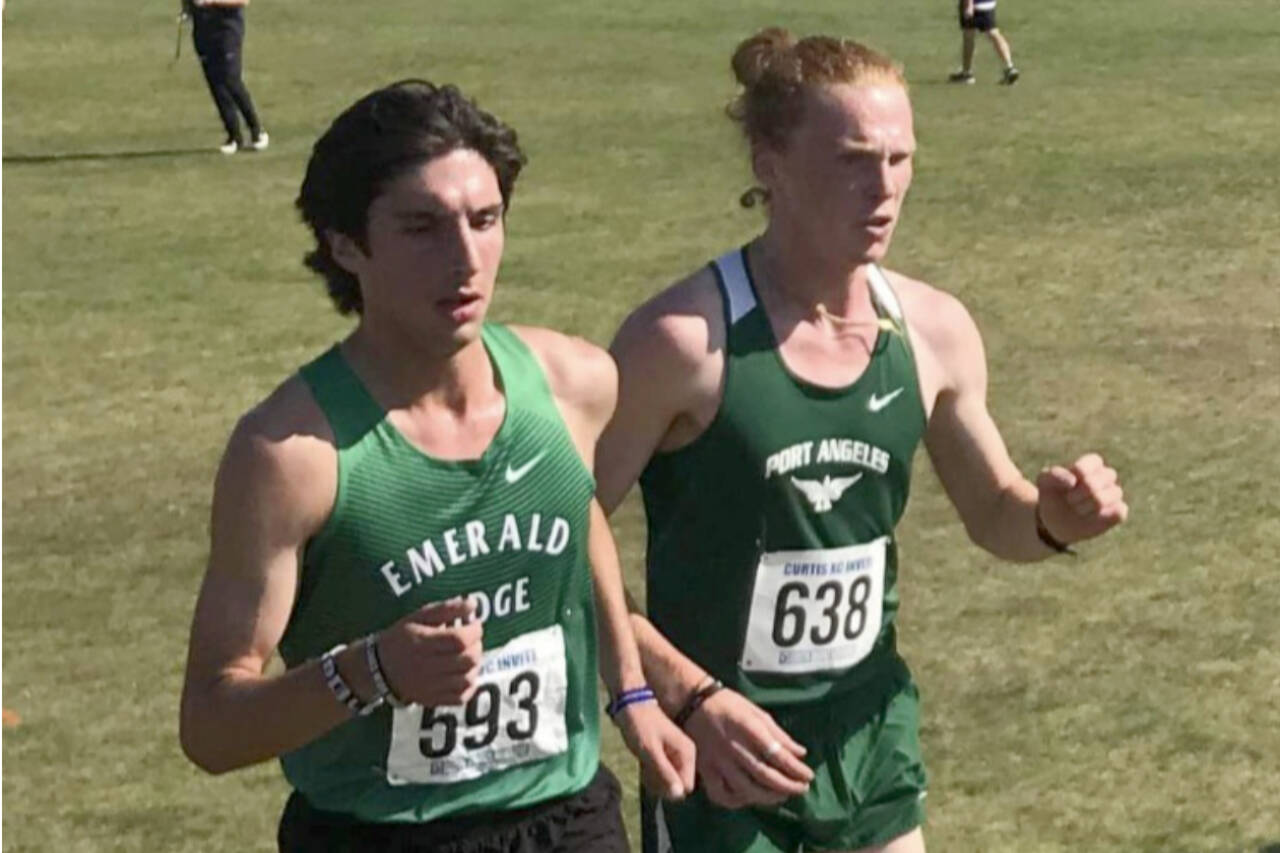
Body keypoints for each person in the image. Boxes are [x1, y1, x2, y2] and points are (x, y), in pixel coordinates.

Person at [596, 28, 1126, 853]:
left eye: (900, 158)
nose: (883, 188)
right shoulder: (683, 342)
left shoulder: (934, 331)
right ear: (769, 164)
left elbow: (996, 512)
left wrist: (1057, 519)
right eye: (851, 159)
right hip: (723, 756)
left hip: (870, 737)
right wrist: (683, 696)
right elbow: (560, 539)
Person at [179, 79, 695, 852]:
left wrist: (632, 691)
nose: (464, 257)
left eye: (485, 220)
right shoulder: (292, 455)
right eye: (422, 227)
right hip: (377, 835)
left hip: (568, 817)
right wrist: (372, 670)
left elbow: (574, 515)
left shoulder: (575, 385)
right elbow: (212, 726)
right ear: (345, 243)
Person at [187, 0, 268, 153]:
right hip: (203, 31)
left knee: (231, 79)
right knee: (216, 83)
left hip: (227, 29)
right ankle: (234, 136)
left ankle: (256, 130)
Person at [948, 0, 1019, 84]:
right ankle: (1009, 67)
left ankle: (967, 73)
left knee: (970, 35)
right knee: (991, 33)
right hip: (988, 3)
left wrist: (969, 5)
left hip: (975, 4)